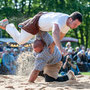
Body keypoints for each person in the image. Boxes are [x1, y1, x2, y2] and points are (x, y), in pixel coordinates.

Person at [0, 11, 82, 55]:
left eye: (77, 26)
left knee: (39, 21)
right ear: (70, 19)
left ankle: (25, 23)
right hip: (36, 25)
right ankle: (8, 25)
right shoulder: (61, 20)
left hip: (43, 16)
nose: (75, 27)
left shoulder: (68, 24)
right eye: (75, 24)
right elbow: (55, 32)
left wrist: (53, 45)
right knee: (20, 41)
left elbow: (61, 35)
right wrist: (60, 48)